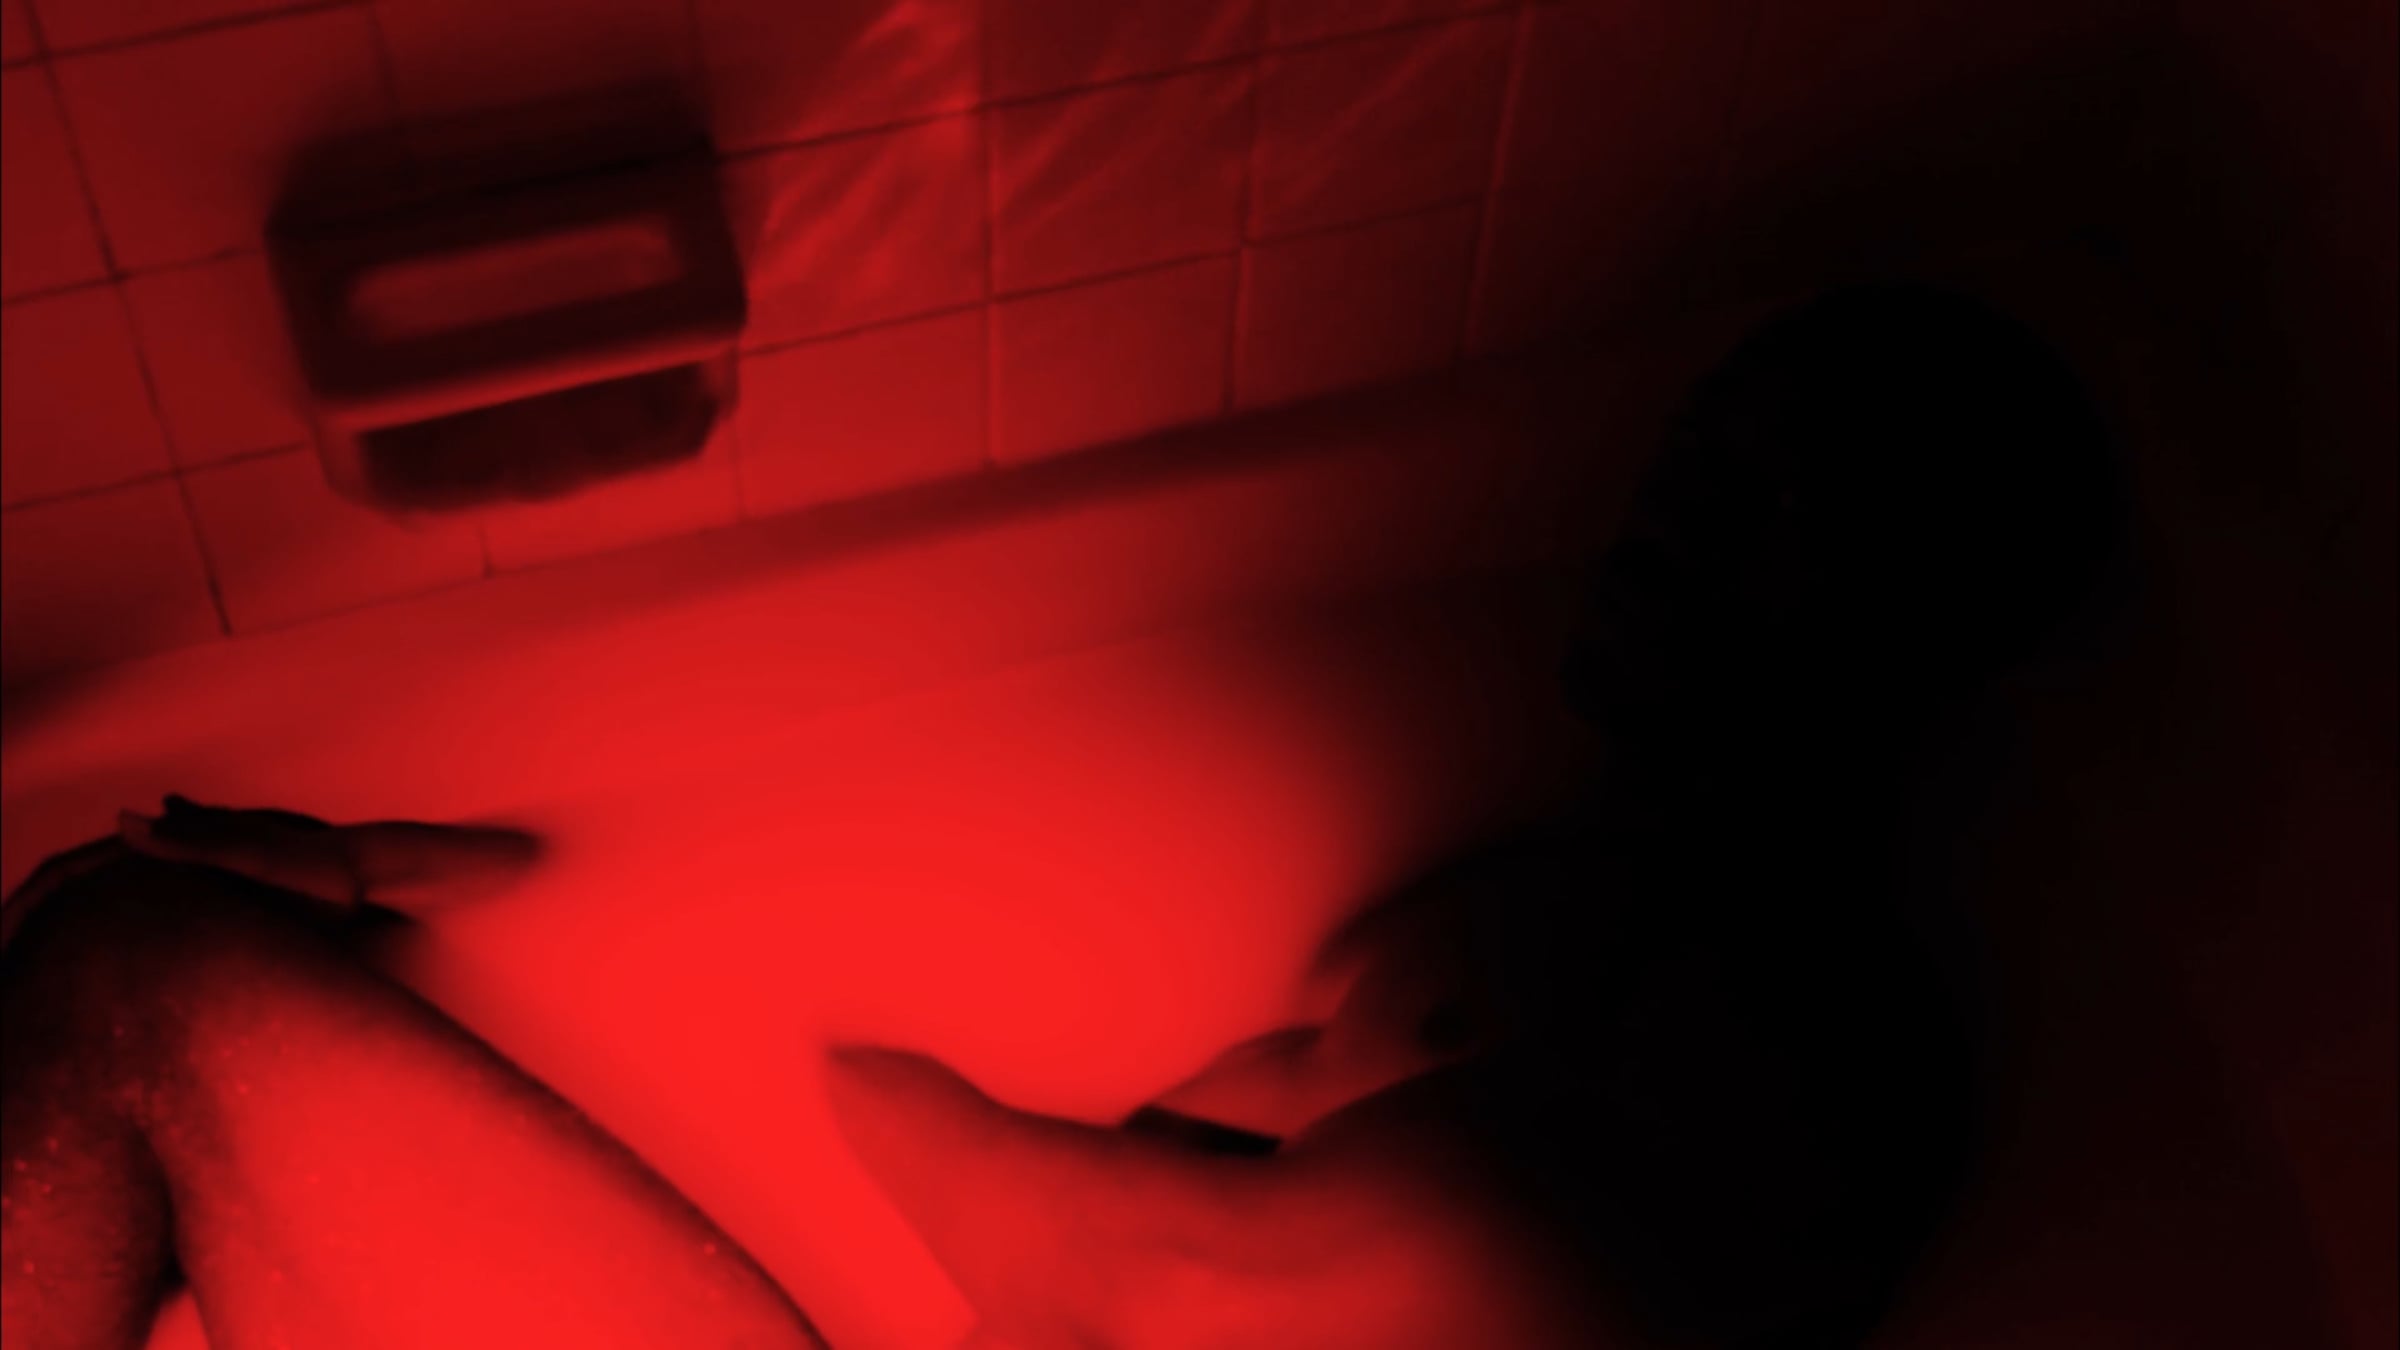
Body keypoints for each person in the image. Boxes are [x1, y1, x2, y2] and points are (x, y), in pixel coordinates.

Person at [1, 284, 2123, 1350]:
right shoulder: (1596, 871)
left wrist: (892, 1102)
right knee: (136, 936)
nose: (1659, 521)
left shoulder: (1808, 1050)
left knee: (134, 994)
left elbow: (1172, 1280)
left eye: (1753, 510)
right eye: (1690, 452)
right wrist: (397, 882)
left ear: (1902, 617)